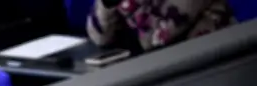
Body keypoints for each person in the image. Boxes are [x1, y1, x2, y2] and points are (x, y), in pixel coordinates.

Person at [87, 0, 235, 52]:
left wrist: (127, 5)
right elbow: (100, 37)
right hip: (160, 67)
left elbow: (155, 38)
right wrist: (107, 4)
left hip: (211, 61)